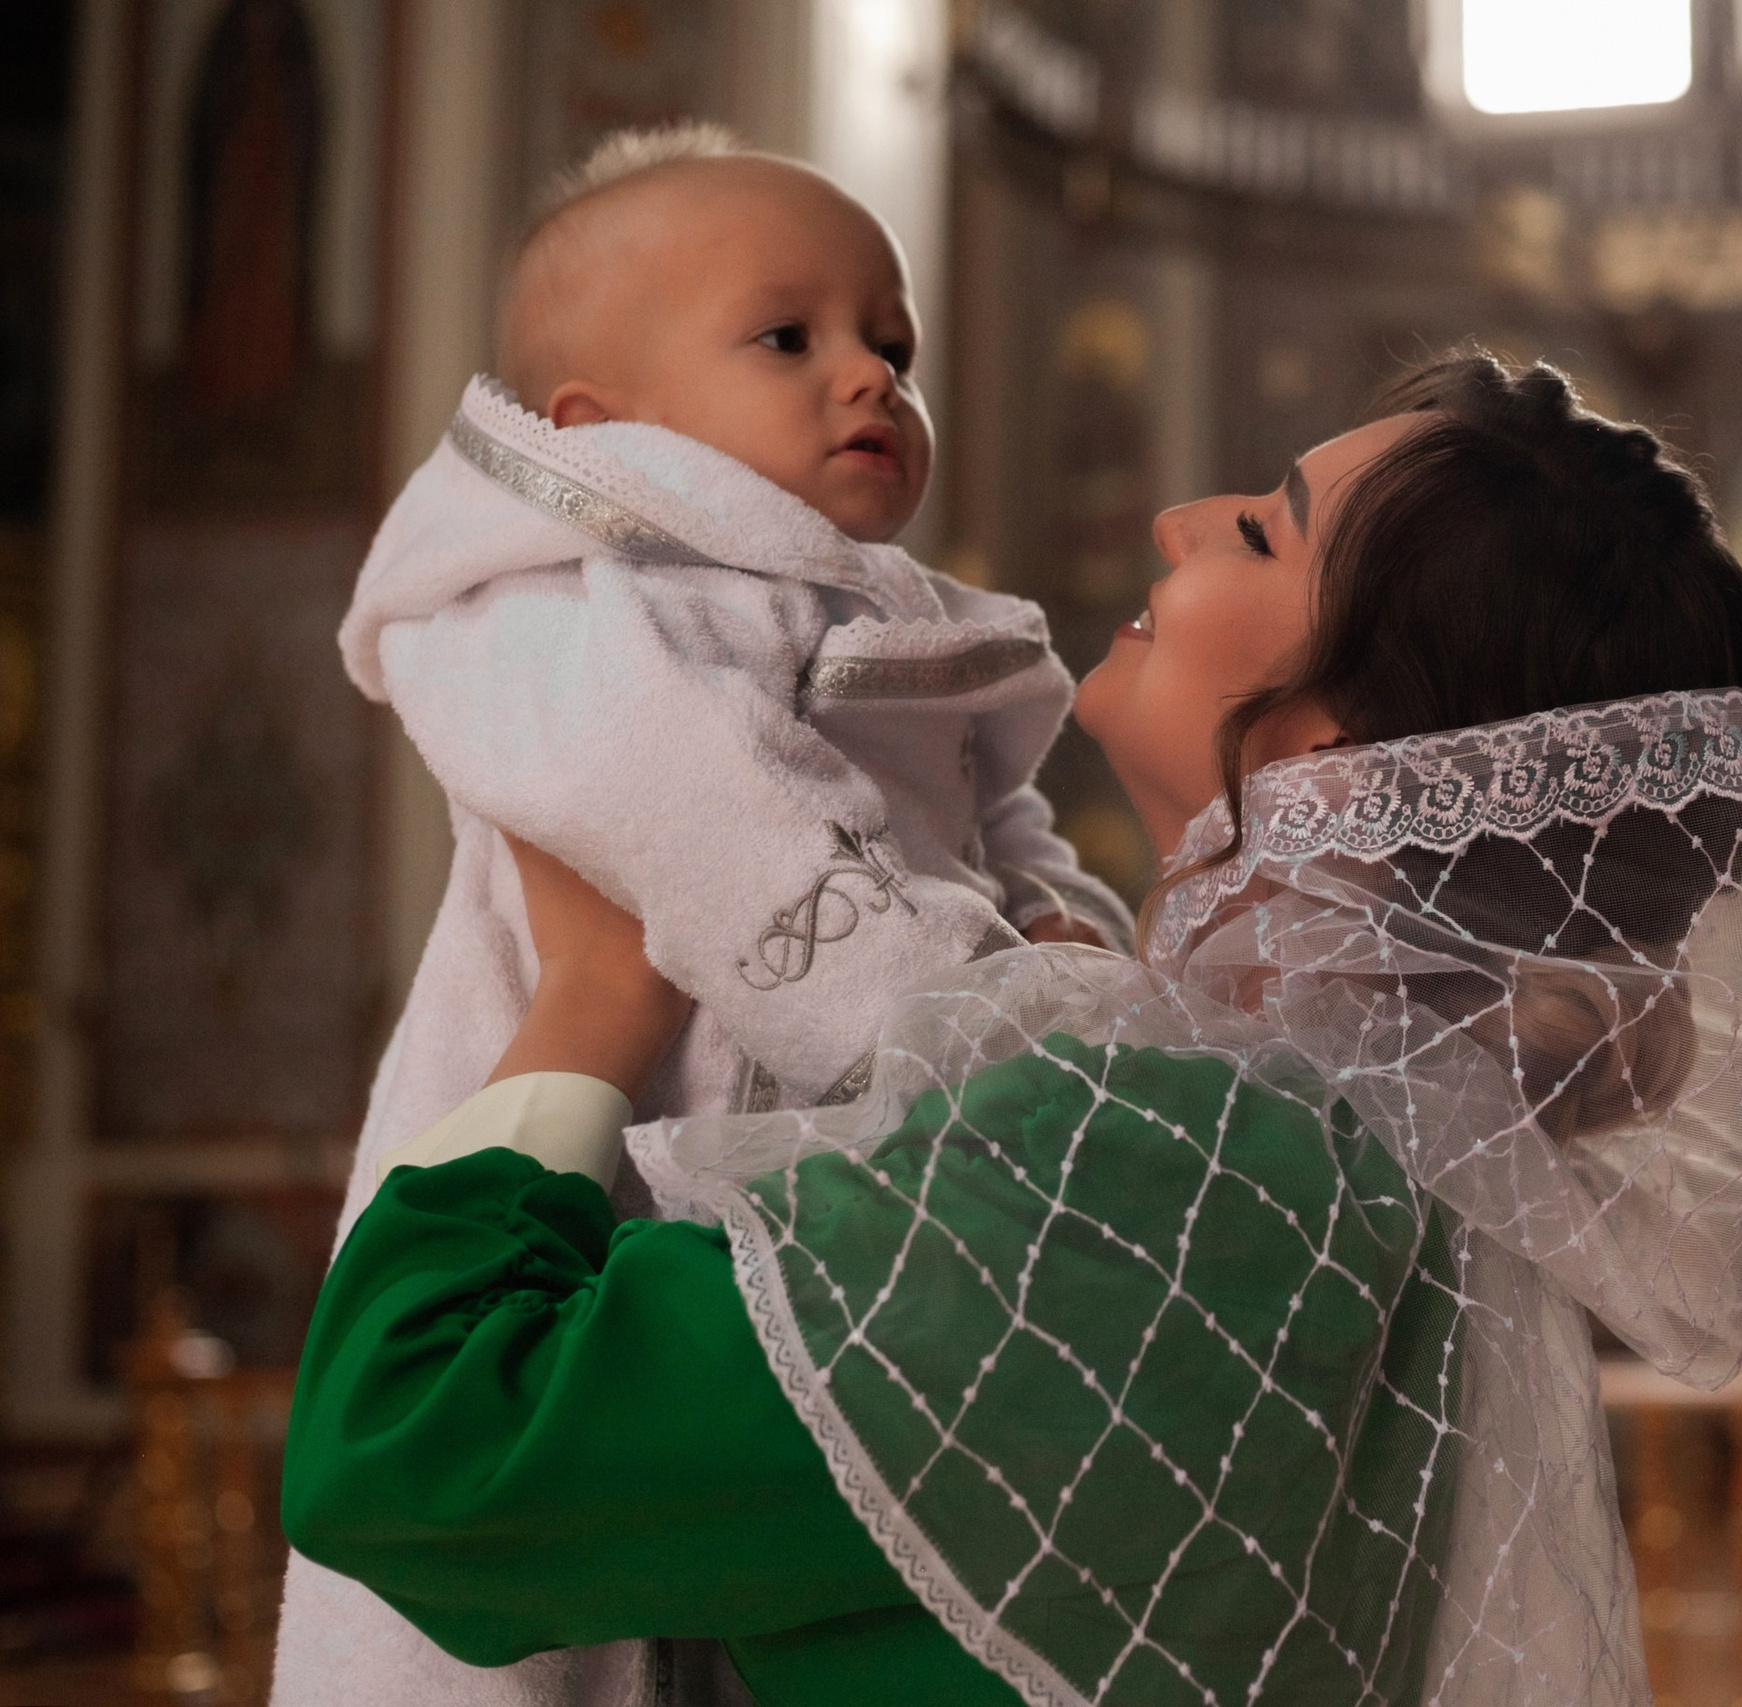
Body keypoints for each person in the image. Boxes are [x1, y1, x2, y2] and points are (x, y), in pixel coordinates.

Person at [283, 356, 1742, 1706]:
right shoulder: (1368, 1163)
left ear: (1339, 750)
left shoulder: (1193, 1167)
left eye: (1262, 532)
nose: (1177, 518)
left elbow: (417, 1447)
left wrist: (589, 1006)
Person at [272, 123, 1129, 1707]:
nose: (870, 375)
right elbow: (659, 784)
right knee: (565, 1616)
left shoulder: (903, 628)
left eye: (893, 342)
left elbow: (1012, 826)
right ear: (605, 434)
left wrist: (1070, 956)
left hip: (860, 1191)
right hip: (600, 1141)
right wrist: (948, 1025)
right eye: (789, 337)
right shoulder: (545, 595)